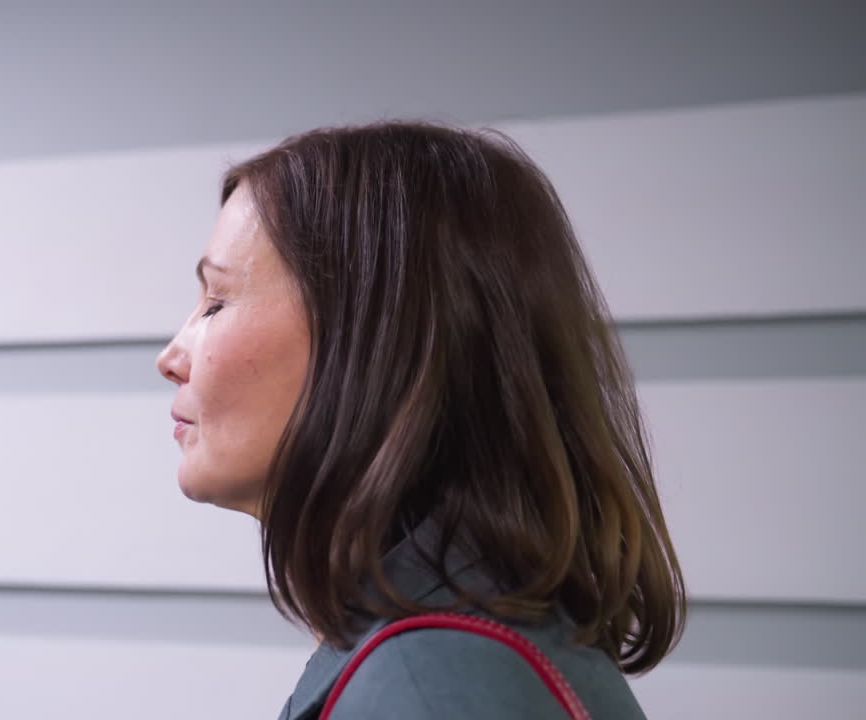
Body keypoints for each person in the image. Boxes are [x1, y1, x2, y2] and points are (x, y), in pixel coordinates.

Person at [155, 122, 685, 719]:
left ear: (375, 342)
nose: (171, 358)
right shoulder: (455, 648)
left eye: (217, 302)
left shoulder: (431, 691)